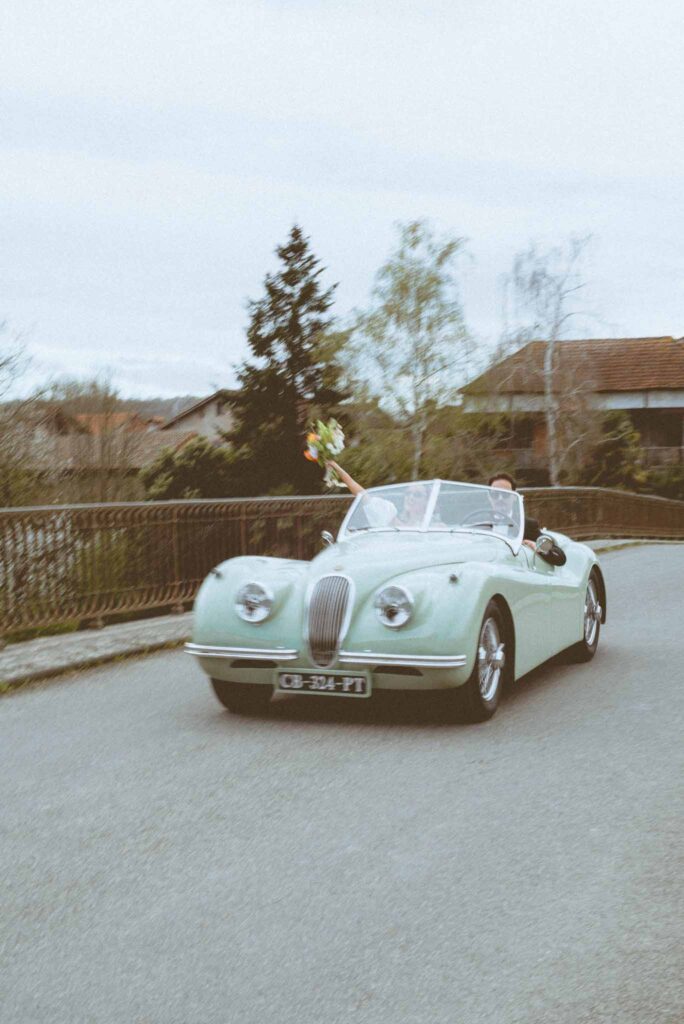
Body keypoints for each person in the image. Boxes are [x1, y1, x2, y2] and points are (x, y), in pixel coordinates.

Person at [488, 472, 567, 566]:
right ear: (489, 497)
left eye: (505, 494)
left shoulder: (527, 525)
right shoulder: (476, 523)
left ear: (514, 497)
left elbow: (559, 557)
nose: (500, 498)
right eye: (495, 494)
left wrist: (538, 546)